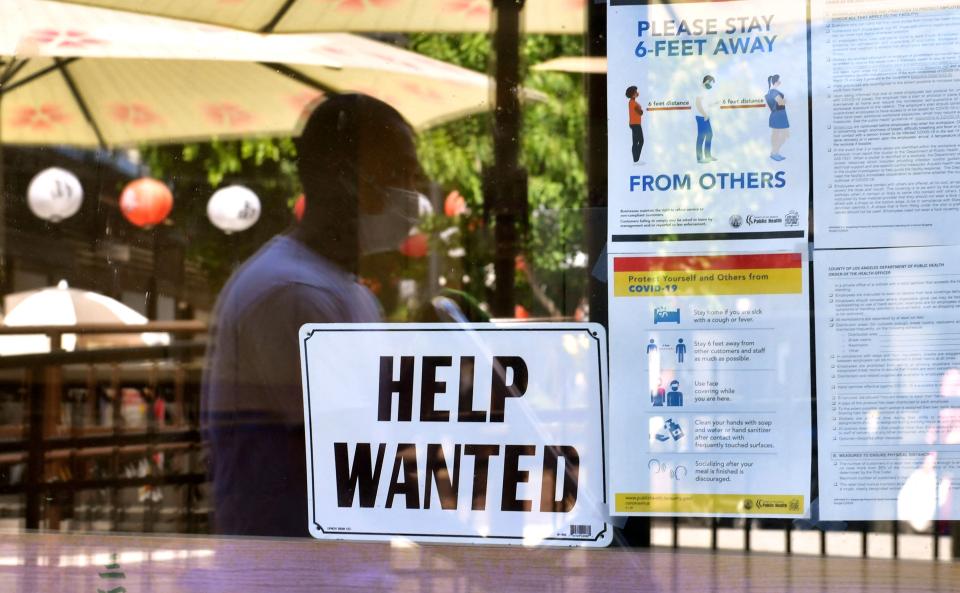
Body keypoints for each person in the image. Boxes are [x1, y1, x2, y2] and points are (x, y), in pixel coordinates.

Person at [201, 94, 424, 537]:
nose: (412, 194)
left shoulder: (341, 287)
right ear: (344, 177)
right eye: (398, 173)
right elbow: (357, 464)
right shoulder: (293, 293)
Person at [765, 74, 789, 161]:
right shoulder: (773, 92)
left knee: (779, 134)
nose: (780, 82)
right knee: (780, 134)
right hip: (778, 115)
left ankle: (775, 152)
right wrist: (785, 100)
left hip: (779, 114)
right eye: (779, 80)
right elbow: (781, 102)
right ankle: (774, 153)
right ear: (775, 82)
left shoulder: (772, 92)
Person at [694, 75, 717, 164]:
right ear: (706, 81)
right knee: (701, 137)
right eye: (711, 83)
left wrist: (714, 103)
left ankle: (708, 156)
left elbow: (706, 104)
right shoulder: (700, 91)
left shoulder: (705, 92)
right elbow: (698, 104)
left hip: (705, 116)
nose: (711, 85)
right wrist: (704, 114)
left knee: (709, 135)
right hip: (701, 117)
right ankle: (700, 158)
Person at [626, 86, 644, 164]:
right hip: (635, 124)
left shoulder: (632, 102)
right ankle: (636, 159)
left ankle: (636, 159)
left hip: (634, 124)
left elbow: (639, 112)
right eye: (636, 92)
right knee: (640, 141)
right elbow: (640, 112)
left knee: (636, 141)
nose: (637, 93)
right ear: (633, 94)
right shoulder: (633, 103)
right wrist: (641, 110)